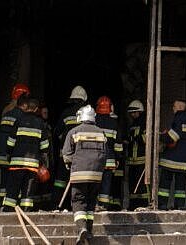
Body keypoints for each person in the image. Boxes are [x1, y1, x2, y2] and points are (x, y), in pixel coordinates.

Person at [63, 104, 114, 241]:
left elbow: (67, 154)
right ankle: (89, 230)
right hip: (96, 175)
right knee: (91, 202)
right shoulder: (101, 133)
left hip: (79, 173)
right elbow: (105, 154)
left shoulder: (74, 132)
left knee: (79, 200)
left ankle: (82, 228)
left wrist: (70, 165)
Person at [158, 98, 186, 209]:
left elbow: (173, 137)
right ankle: (180, 206)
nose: (172, 108)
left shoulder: (179, 118)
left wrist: (160, 136)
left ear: (179, 107)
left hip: (171, 159)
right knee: (180, 187)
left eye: (174, 106)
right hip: (184, 161)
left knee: (164, 184)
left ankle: (162, 204)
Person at [95, 97, 123, 209]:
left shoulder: (94, 122)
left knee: (95, 182)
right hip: (109, 160)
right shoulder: (114, 123)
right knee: (106, 184)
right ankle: (104, 206)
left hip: (96, 159)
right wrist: (118, 159)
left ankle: (95, 204)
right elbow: (118, 145)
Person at [124, 99, 148, 207]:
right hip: (132, 160)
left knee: (142, 184)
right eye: (131, 113)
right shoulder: (132, 124)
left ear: (139, 112)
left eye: (134, 112)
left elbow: (146, 139)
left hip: (142, 159)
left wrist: (135, 138)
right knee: (132, 183)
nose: (132, 115)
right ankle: (133, 204)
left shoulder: (145, 123)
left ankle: (144, 204)